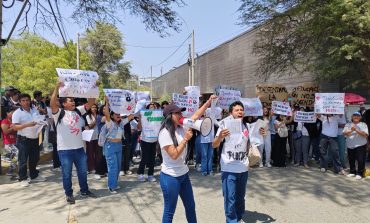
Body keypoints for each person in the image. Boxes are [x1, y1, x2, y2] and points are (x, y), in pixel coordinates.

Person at [158, 95, 216, 223]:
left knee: (190, 206)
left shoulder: (182, 126)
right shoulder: (164, 133)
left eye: (180, 112)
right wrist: (185, 139)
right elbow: (174, 155)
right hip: (170, 177)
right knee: (169, 211)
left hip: (183, 175)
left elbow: (195, 116)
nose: (180, 114)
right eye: (177, 113)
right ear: (169, 116)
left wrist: (208, 102)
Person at [51, 81, 97, 204]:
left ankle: (84, 190)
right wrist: (56, 87)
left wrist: (92, 87)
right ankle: (69, 194)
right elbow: (52, 103)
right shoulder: (58, 113)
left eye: (73, 100)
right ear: (64, 103)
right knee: (67, 174)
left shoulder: (78, 111)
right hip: (65, 150)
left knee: (82, 172)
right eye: (70, 100)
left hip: (79, 149)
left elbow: (91, 102)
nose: (73, 102)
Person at [213, 101, 249, 223]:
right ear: (231, 113)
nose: (240, 112)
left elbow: (251, 143)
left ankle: (239, 218)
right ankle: (231, 220)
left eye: (241, 110)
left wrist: (262, 134)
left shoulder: (247, 126)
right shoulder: (224, 126)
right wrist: (220, 137)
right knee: (230, 197)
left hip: (243, 168)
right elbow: (214, 144)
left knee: (240, 197)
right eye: (237, 110)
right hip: (229, 168)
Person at [12, 93, 46, 187]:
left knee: (34, 158)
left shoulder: (34, 110)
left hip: (35, 138)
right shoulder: (17, 113)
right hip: (23, 140)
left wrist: (43, 123)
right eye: (23, 101)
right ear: (19, 102)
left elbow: (38, 119)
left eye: (27, 100)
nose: (26, 102)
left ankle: (34, 175)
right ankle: (22, 178)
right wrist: (27, 125)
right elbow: (14, 127)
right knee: (23, 160)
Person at [102, 98, 134, 193]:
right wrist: (107, 102)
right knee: (112, 167)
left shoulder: (121, 123)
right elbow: (106, 113)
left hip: (119, 145)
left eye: (119, 114)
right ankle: (111, 186)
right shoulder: (109, 123)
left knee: (118, 166)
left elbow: (131, 116)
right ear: (111, 116)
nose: (119, 115)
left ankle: (114, 184)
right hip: (110, 146)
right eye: (116, 114)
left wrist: (132, 103)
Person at [343, 112, 368, 180]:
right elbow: (344, 133)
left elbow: (365, 135)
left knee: (361, 160)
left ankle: (360, 173)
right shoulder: (348, 124)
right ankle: (352, 172)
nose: (356, 117)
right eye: (354, 116)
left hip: (360, 145)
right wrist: (351, 130)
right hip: (350, 145)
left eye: (357, 116)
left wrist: (356, 130)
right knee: (351, 159)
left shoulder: (363, 124)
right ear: (352, 117)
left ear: (360, 117)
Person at [137, 103, 158, 182]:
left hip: (154, 140)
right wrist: (140, 119)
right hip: (145, 139)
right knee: (145, 157)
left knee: (152, 158)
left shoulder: (157, 117)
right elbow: (139, 128)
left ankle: (150, 175)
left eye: (154, 107)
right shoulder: (144, 117)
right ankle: (140, 173)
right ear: (147, 108)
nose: (152, 108)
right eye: (151, 107)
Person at [1, 106, 18, 177]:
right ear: (7, 113)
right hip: (8, 143)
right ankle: (10, 171)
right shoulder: (5, 121)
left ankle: (11, 171)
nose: (14, 113)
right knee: (17, 154)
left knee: (14, 157)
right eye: (12, 112)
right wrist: (13, 127)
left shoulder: (14, 121)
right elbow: (5, 132)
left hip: (15, 142)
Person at [85, 104, 100, 178]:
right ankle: (91, 168)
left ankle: (97, 166)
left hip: (97, 137)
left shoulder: (98, 115)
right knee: (90, 153)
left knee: (97, 153)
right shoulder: (88, 116)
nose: (94, 109)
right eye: (92, 107)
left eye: (95, 107)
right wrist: (96, 120)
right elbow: (90, 126)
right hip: (90, 137)